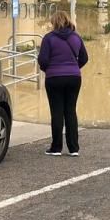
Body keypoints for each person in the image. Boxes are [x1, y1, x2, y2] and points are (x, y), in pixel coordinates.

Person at [37, 11, 89, 156]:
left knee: (57, 112)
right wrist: (73, 67)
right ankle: (74, 149)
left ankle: (56, 148)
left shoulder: (49, 38)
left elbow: (43, 60)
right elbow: (84, 58)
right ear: (67, 21)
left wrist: (48, 70)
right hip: (74, 78)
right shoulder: (76, 37)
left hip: (54, 78)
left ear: (54, 22)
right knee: (71, 111)